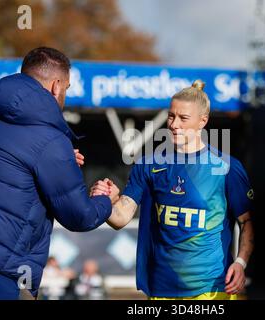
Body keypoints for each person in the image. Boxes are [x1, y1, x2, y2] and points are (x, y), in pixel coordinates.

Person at [0, 47, 116, 300]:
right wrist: (104, 199)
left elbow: (1, 160)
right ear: (56, 86)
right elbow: (78, 216)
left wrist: (54, 161)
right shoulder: (51, 140)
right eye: (68, 89)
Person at [91, 80, 255, 300]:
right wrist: (106, 201)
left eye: (183, 118)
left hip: (212, 289)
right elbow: (120, 219)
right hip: (162, 289)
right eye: (171, 116)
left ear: (202, 121)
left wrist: (240, 262)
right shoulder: (148, 164)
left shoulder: (226, 167)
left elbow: (248, 222)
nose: (174, 124)